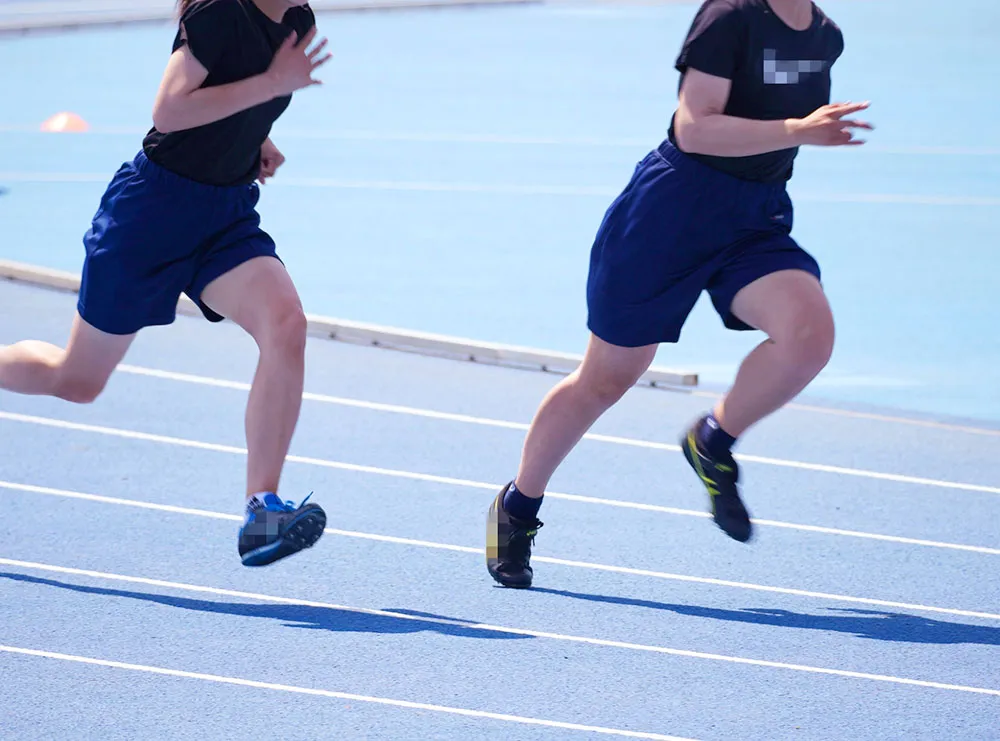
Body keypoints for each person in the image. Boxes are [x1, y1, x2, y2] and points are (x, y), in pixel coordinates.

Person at [487, 0, 873, 588]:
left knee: (809, 335)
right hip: (670, 213)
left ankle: (713, 442)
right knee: (606, 379)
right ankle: (517, 507)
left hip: (754, 218)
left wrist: (803, 133)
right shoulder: (730, 16)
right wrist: (799, 130)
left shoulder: (826, 36)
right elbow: (695, 128)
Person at [0, 0, 333, 567]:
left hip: (223, 216)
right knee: (76, 381)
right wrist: (271, 83)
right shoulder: (219, 12)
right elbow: (170, 110)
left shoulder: (297, 23)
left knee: (286, 325)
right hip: (149, 216)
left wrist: (255, 141)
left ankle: (262, 511)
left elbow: (241, 103)